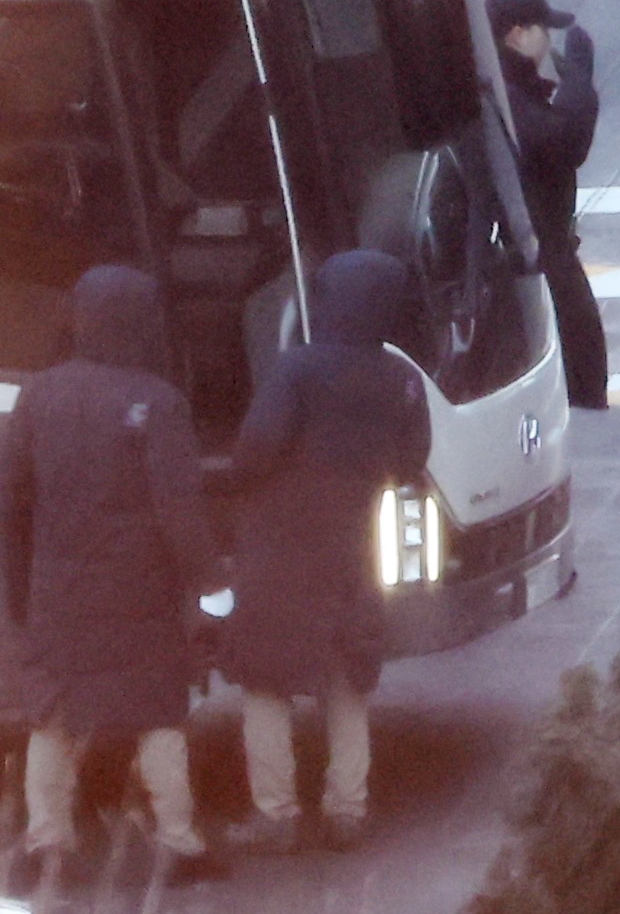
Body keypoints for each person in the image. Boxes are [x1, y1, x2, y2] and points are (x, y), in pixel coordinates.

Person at [0, 265, 223, 884]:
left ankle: (50, 841)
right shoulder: (158, 402)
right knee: (156, 715)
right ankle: (178, 840)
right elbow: (180, 509)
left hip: (56, 589)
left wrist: (19, 588)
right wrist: (209, 585)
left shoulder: (40, 395)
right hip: (140, 593)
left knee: (53, 716)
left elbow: (12, 502)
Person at [222, 250, 430, 854]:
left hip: (284, 544)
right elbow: (412, 462)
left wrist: (238, 485)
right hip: (356, 541)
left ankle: (277, 814)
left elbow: (256, 447)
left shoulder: (299, 369)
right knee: (347, 682)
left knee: (265, 684)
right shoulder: (402, 378)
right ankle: (347, 809)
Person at [485, 0, 610, 410]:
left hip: (546, 243)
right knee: (579, 360)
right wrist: (578, 82)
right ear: (518, 34)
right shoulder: (506, 94)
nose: (548, 39)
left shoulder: (510, 87)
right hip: (540, 248)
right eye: (542, 28)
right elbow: (561, 143)